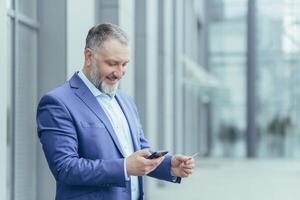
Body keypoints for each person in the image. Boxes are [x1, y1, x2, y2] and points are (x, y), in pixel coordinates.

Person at [36, 23, 195, 200]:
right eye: (112, 64)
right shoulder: (58, 102)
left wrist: (169, 165)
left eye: (124, 64)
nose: (119, 73)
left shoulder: (126, 100)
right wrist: (124, 167)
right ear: (89, 57)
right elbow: (65, 168)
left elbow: (139, 149)